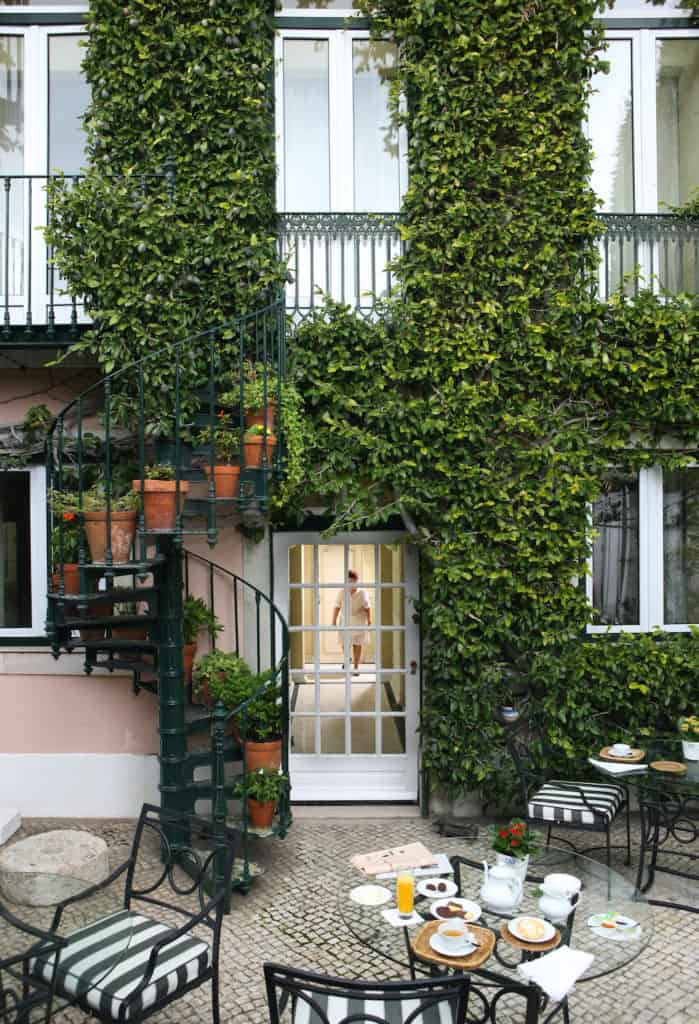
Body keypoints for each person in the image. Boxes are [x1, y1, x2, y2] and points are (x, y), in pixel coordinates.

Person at [332, 569, 372, 673]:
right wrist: (333, 621)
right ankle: (347, 659)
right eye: (349, 581)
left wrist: (369, 620)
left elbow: (367, 607)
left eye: (354, 581)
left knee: (357, 644)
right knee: (345, 643)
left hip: (359, 621)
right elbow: (337, 606)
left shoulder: (363, 592)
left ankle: (356, 667)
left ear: (357, 580)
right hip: (345, 620)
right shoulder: (342, 592)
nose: (352, 584)